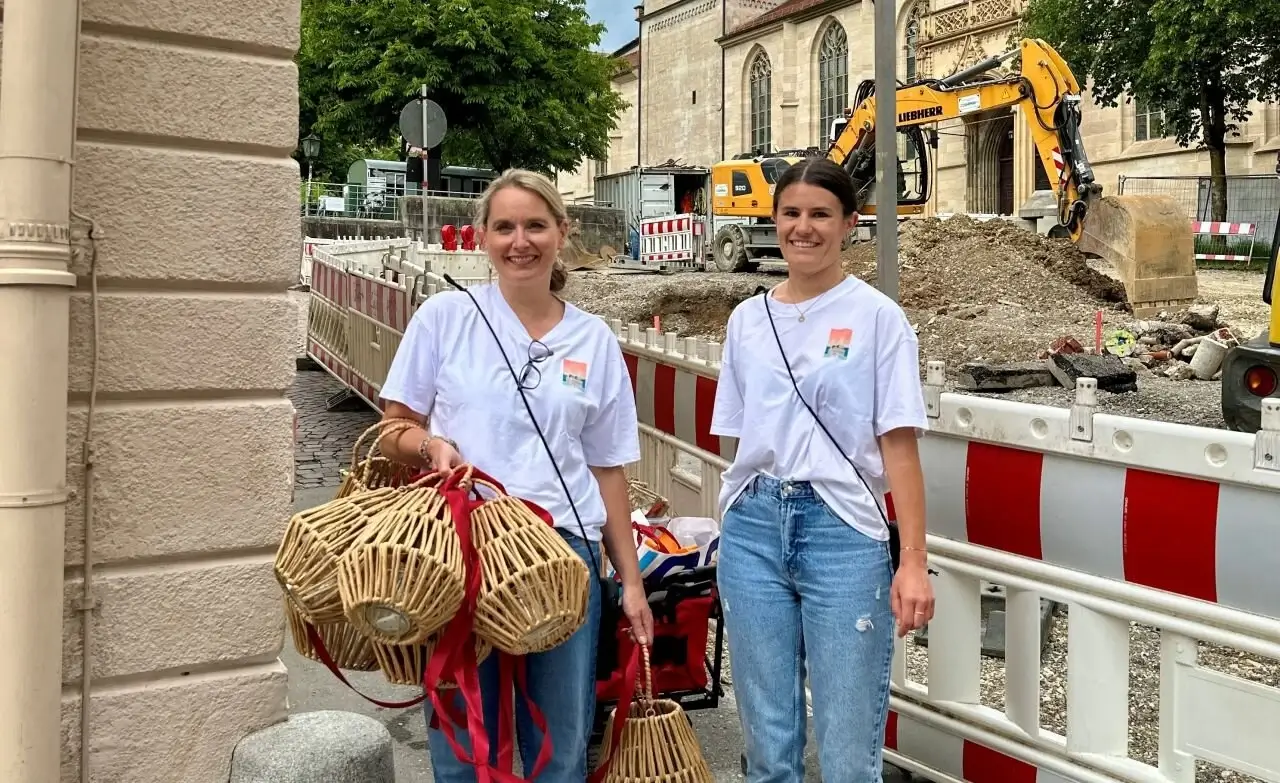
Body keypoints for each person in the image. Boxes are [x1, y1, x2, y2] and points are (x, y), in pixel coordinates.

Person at [375, 168, 655, 781]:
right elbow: (393, 430)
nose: (520, 241)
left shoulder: (594, 340)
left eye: (535, 225)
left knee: (560, 745)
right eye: (504, 227)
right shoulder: (446, 318)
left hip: (563, 557)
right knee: (465, 747)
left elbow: (607, 470)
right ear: (482, 236)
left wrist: (630, 583)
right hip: (461, 551)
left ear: (563, 232)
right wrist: (432, 446)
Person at [710, 157, 935, 782]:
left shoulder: (877, 319)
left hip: (841, 529)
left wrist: (913, 561)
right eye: (791, 213)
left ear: (849, 224)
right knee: (767, 742)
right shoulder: (747, 321)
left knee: (847, 747)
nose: (803, 228)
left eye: (819, 214)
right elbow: (742, 439)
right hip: (754, 527)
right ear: (774, 219)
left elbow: (899, 446)